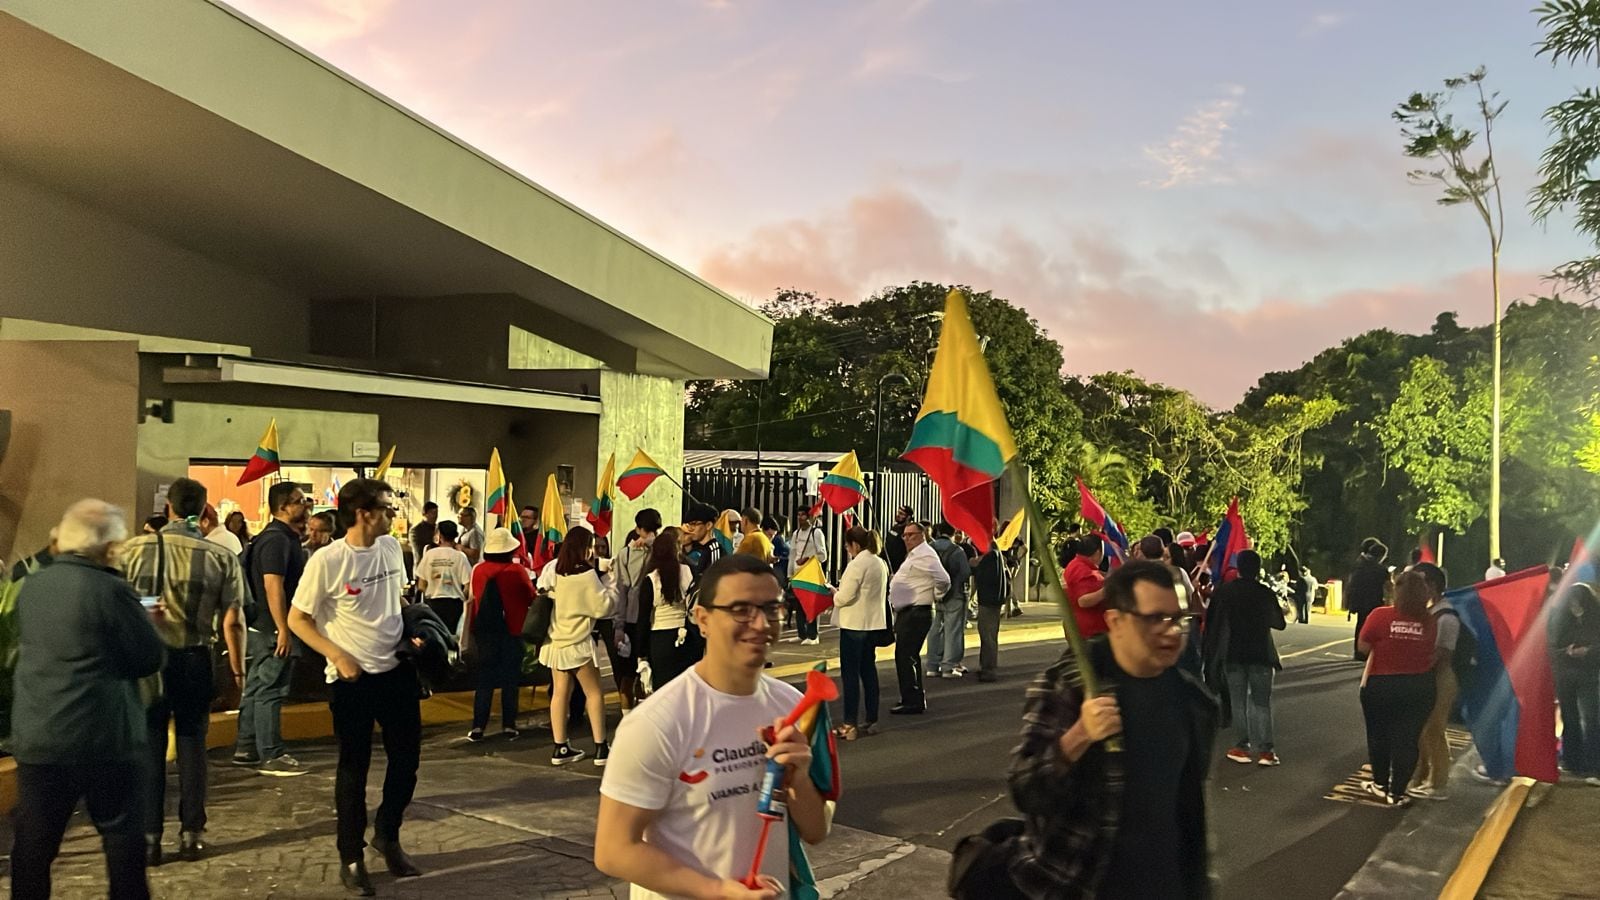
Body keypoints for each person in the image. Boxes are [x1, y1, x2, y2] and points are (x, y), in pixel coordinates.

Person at [594, 554, 831, 898]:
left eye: (771, 609)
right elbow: (614, 850)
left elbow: (816, 829)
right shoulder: (658, 722)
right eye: (741, 610)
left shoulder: (793, 707)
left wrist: (799, 778)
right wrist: (717, 890)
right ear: (702, 619)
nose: (762, 624)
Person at [1001, 561, 1215, 900]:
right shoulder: (1071, 685)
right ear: (1115, 621)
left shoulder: (1195, 702)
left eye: (1179, 619)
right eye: (1154, 618)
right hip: (1079, 883)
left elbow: (1188, 811)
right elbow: (1024, 788)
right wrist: (1078, 736)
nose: (1172, 631)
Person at [11, 500, 166, 900]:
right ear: (109, 547)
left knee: (33, 850)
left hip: (41, 736)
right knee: (122, 846)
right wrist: (147, 621)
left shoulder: (32, 584)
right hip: (104, 739)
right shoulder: (111, 590)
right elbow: (148, 657)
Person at [288, 478, 424, 895]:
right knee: (353, 770)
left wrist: (412, 633)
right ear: (363, 512)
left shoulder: (389, 549)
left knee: (407, 763)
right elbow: (298, 620)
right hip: (353, 680)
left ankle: (388, 834)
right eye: (387, 508)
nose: (393, 515)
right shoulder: (327, 561)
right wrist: (337, 654)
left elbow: (393, 602)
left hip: (397, 671)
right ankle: (351, 855)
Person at [119, 478, 246, 866]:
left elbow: (116, 606)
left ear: (168, 507)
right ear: (204, 509)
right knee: (193, 746)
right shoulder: (219, 556)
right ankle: (191, 834)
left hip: (146, 660)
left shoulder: (129, 551)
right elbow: (233, 620)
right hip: (194, 658)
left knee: (150, 746)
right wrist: (238, 673)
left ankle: (149, 839)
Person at [234, 481, 312, 777]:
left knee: (257, 687)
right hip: (272, 627)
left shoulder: (275, 538)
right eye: (299, 501)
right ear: (282, 506)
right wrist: (284, 628)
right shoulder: (277, 540)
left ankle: (247, 747)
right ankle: (272, 753)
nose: (304, 506)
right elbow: (273, 584)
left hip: (262, 626)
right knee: (271, 689)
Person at [1357, 570, 1438, 807]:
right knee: (1408, 738)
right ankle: (1398, 792)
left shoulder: (1380, 615)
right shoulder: (1429, 621)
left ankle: (1380, 784)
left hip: (1381, 683)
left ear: (1396, 591)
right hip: (1419, 686)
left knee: (1379, 736)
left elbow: (1362, 647)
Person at [537, 526, 614, 766]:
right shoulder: (586, 576)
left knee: (560, 693)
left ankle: (560, 747)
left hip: (556, 640)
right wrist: (611, 584)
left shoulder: (554, 569)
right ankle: (601, 747)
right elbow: (604, 607)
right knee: (594, 693)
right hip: (579, 642)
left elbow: (542, 585)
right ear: (585, 547)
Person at [1206, 550, 1287, 767]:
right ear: (1258, 568)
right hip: (1261, 652)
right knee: (1262, 703)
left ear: (1238, 568)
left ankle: (1241, 747)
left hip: (1233, 652)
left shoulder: (1225, 592)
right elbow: (1280, 623)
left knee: (1238, 702)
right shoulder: (1266, 593)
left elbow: (1214, 622)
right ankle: (1266, 751)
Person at [464, 528, 535, 742]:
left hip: (484, 631)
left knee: (485, 679)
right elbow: (531, 596)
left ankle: (478, 726)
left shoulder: (478, 570)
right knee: (509, 679)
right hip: (512, 631)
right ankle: (508, 725)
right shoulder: (517, 571)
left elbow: (472, 597)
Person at [1408, 562, 1458, 799]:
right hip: (1430, 675)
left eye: (1420, 583)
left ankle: (1439, 784)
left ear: (1432, 585)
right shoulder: (1433, 611)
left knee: (1435, 729)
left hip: (1441, 677)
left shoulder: (1446, 616)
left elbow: (1444, 654)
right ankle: (1424, 774)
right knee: (1425, 729)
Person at [888, 521, 948, 715]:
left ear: (922, 536)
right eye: (904, 535)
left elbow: (944, 579)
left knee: (905, 656)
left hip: (917, 611)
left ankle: (912, 700)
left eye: (911, 535)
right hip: (908, 611)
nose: (906, 539)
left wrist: (936, 595)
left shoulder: (926, 554)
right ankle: (911, 696)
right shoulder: (914, 555)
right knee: (907, 656)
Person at [834, 526, 889, 739]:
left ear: (854, 544)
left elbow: (844, 597)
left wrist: (834, 594)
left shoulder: (857, 564)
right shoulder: (879, 562)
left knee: (850, 674)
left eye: (848, 546)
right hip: (873, 624)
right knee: (868, 671)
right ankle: (871, 718)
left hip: (854, 625)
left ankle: (850, 723)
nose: (848, 550)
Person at [608, 510, 662, 714]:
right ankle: (643, 716)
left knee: (629, 673)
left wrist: (618, 626)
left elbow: (620, 591)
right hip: (651, 618)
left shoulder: (626, 554)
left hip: (633, 619)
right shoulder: (656, 551)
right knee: (644, 671)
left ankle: (629, 718)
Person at [1551, 583, 1600, 785]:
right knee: (1569, 717)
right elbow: (1551, 648)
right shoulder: (1560, 621)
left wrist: (1587, 652)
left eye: (1578, 603)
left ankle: (1593, 766)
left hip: (1589, 674)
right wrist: (1567, 651)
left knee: (1591, 718)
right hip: (1565, 675)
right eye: (1571, 604)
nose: (1575, 607)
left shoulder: (1596, 621)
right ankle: (1572, 761)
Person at [644, 527, 699, 689]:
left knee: (663, 691)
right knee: (686, 688)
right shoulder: (688, 571)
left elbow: (643, 617)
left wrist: (641, 652)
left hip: (659, 638)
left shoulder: (651, 578)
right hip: (686, 635)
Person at [927, 522, 972, 679]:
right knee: (952, 630)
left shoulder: (929, 548)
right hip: (954, 594)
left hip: (932, 595)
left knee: (934, 630)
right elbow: (965, 572)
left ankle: (932, 665)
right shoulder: (957, 550)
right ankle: (948, 667)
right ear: (954, 532)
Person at [416, 520, 472, 634]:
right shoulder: (460, 557)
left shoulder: (429, 555)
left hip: (433, 605)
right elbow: (468, 585)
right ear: (455, 536)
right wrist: (462, 597)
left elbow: (421, 585)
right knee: (452, 638)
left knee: (435, 637)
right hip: (454, 606)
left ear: (439, 535)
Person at [789, 507, 828, 645]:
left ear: (810, 517)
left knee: (811, 605)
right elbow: (792, 554)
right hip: (798, 573)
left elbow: (823, 556)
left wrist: (807, 558)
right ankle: (802, 633)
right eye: (798, 515)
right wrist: (790, 573)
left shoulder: (816, 533)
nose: (800, 518)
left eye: (803, 515)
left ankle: (813, 636)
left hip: (810, 573)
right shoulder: (796, 533)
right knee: (799, 605)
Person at [1346, 539, 1389, 661]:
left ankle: (1358, 651)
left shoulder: (1359, 565)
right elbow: (1388, 587)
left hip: (1359, 600)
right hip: (1374, 601)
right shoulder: (1381, 570)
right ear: (1380, 556)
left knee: (1360, 624)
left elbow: (1351, 583)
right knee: (1372, 626)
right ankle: (1368, 651)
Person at [1063, 535, 1109, 643]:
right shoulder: (1083, 570)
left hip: (1085, 629)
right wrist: (1107, 589)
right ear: (1098, 552)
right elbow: (1083, 601)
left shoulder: (1079, 565)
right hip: (1089, 632)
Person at [680, 502, 723, 592]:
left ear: (708, 525)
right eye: (689, 525)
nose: (690, 529)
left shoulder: (714, 550)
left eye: (694, 524)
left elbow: (713, 584)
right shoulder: (702, 549)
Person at [884, 505, 913, 573]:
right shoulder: (895, 527)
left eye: (901, 514)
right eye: (898, 513)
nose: (898, 515)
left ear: (908, 517)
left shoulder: (909, 531)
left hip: (900, 568)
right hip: (888, 565)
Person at [410, 502, 439, 568]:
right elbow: (420, 550)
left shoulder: (438, 528)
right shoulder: (416, 530)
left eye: (436, 513)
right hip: (422, 566)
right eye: (433, 513)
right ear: (425, 513)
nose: (435, 516)